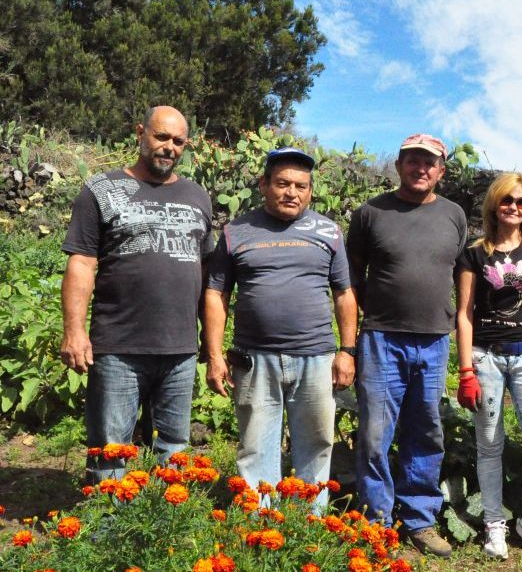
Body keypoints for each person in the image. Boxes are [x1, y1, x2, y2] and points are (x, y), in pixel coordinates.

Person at [60, 106, 213, 483]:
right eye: (161, 137)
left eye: (178, 141)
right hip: (118, 346)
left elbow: (208, 275)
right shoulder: (102, 188)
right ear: (140, 133)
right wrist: (74, 331)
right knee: (111, 449)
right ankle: (106, 531)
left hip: (180, 348)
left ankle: (164, 534)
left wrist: (211, 344)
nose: (169, 148)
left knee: (174, 448)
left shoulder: (198, 196)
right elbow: (82, 262)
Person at [203, 147, 357, 508]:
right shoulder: (235, 232)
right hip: (254, 359)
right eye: (283, 183)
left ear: (310, 190)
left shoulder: (329, 231)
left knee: (317, 443)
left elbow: (345, 294)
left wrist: (347, 351)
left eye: (301, 186)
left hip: (317, 357)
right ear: (263, 185)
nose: (292, 193)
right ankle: (259, 525)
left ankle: (309, 524)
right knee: (255, 445)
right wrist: (213, 355)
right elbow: (215, 295)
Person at [346, 133, 467, 558]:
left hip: (435, 339)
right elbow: (351, 275)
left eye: (429, 162)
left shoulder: (454, 215)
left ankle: (419, 518)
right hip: (382, 337)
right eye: (412, 161)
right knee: (376, 431)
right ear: (398, 166)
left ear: (441, 171)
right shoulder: (371, 213)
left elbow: (457, 275)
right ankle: (377, 520)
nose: (421, 168)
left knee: (426, 429)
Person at [455, 172, 522, 562]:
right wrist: (465, 371)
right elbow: (464, 315)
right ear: (494, 206)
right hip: (486, 357)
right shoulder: (475, 253)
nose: (514, 208)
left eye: (521, 202)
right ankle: (494, 522)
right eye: (507, 201)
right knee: (489, 444)